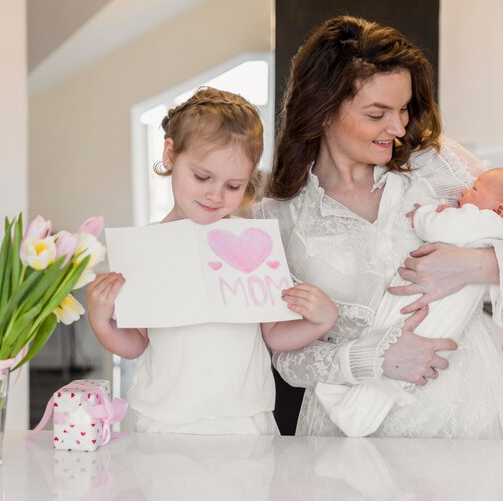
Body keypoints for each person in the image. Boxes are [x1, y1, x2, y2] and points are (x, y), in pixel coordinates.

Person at [253, 16, 503, 438]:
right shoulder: (279, 215)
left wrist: (473, 265)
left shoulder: (432, 162)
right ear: (322, 109)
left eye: (403, 109)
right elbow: (284, 353)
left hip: (467, 414)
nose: (399, 128)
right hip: (354, 431)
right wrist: (374, 359)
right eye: (378, 113)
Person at [86, 87, 338, 435]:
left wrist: (320, 321)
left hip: (245, 422)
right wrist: (102, 323)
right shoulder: (148, 248)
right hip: (164, 423)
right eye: (203, 177)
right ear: (171, 153)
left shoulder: (255, 246)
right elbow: (137, 344)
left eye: (234, 186)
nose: (215, 195)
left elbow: (274, 334)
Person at [314, 167, 503, 436]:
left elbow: (441, 225)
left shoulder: (485, 223)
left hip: (429, 311)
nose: (464, 191)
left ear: (499, 211)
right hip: (443, 320)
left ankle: (355, 414)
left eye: (475, 189)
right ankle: (356, 409)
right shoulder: (494, 235)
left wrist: (422, 214)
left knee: (386, 344)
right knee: (391, 371)